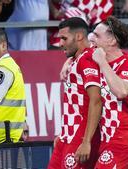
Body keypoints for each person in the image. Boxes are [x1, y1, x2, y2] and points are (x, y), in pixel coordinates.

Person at [47, 17, 102, 169]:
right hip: (67, 135)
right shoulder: (77, 60)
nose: (60, 43)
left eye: (64, 38)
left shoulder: (87, 60)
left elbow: (96, 100)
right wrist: (64, 132)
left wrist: (86, 142)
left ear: (78, 36)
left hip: (80, 136)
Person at [91, 16, 128, 168]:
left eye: (97, 36)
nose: (91, 38)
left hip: (122, 138)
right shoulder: (95, 58)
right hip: (105, 138)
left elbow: (121, 91)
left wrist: (102, 62)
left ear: (112, 41)